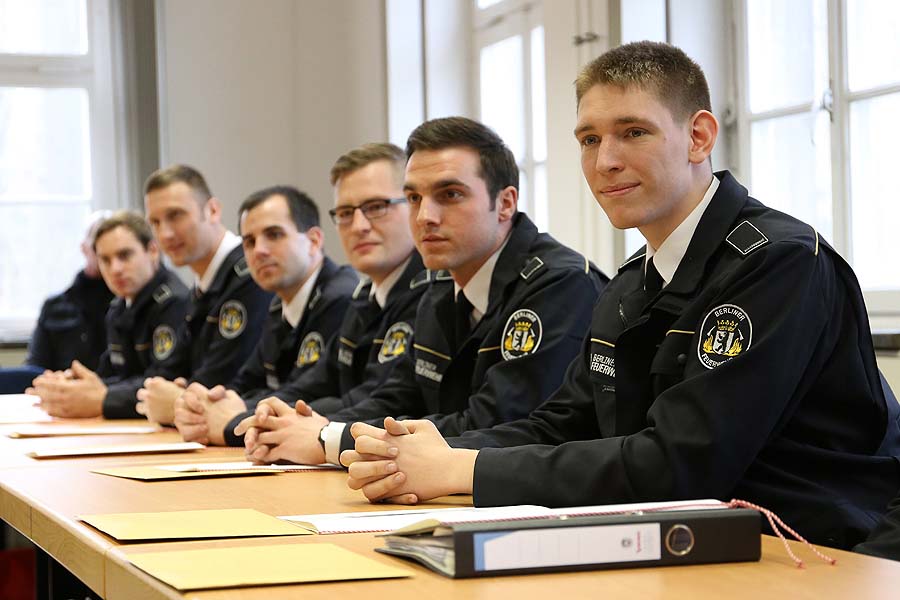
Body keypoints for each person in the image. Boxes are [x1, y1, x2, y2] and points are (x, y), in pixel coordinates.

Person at [342, 41, 900, 550]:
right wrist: (420, 449)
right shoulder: (634, 279)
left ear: (699, 136)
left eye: (633, 131)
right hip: (694, 540)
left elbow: (681, 463)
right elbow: (561, 422)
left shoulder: (778, 261)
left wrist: (461, 470)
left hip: (822, 550)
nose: (604, 160)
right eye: (589, 139)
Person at [235, 117, 608, 466]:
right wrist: (307, 426)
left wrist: (331, 439)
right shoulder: (443, 284)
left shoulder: (559, 285)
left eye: (450, 195)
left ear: (506, 203)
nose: (425, 216)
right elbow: (398, 395)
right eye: (414, 198)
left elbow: (498, 425)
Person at [170, 184, 358, 445]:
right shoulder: (279, 304)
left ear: (314, 241)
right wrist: (206, 407)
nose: (259, 250)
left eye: (274, 234)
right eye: (249, 241)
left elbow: (307, 395)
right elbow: (247, 381)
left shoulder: (341, 299)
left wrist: (232, 415)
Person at [136, 165, 272, 423]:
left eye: (175, 215)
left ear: (212, 210)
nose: (165, 233)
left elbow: (223, 379)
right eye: (155, 222)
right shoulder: (203, 284)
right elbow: (170, 371)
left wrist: (176, 400)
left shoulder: (248, 276)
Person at [27, 212, 190, 418]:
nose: (115, 269)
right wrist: (69, 386)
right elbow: (111, 374)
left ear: (152, 251)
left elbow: (161, 382)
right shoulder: (118, 306)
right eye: (105, 259)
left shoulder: (173, 302)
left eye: (125, 255)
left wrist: (99, 396)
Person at [0, 211, 114, 394]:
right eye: (98, 247)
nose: (107, 256)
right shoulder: (55, 306)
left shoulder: (127, 304)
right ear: (84, 248)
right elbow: (35, 370)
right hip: (60, 397)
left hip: (111, 397)